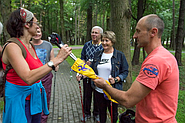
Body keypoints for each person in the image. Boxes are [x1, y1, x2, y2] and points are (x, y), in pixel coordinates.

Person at [93, 14, 179, 123]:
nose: (134, 36)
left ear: (153, 32)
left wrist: (104, 85)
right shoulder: (164, 56)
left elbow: (128, 100)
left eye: (138, 31)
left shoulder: (156, 61)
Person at [2, 8, 71, 123]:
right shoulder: (12, 47)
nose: (38, 26)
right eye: (36, 23)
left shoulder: (30, 45)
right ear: (27, 25)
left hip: (34, 99)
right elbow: (28, 77)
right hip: (19, 101)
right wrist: (56, 60)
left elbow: (37, 70)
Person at [91, 31, 128, 123]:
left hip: (113, 90)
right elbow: (91, 70)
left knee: (113, 114)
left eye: (107, 40)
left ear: (112, 42)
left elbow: (125, 72)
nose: (104, 43)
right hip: (99, 90)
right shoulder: (97, 54)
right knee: (101, 113)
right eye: (102, 40)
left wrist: (116, 79)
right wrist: (81, 74)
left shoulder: (120, 55)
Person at [76, 26, 103, 122]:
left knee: (97, 96)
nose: (94, 34)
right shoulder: (87, 45)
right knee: (87, 96)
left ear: (100, 35)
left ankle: (96, 114)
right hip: (86, 75)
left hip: (97, 76)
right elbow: (82, 58)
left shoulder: (103, 46)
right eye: (92, 32)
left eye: (96, 33)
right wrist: (80, 71)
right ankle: (86, 113)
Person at [31, 26, 58, 123]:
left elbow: (52, 59)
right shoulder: (28, 45)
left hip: (46, 76)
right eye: (35, 32)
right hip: (33, 76)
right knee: (33, 98)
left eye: (39, 32)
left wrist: (56, 66)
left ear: (41, 33)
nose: (37, 34)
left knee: (45, 98)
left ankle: (43, 120)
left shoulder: (48, 45)